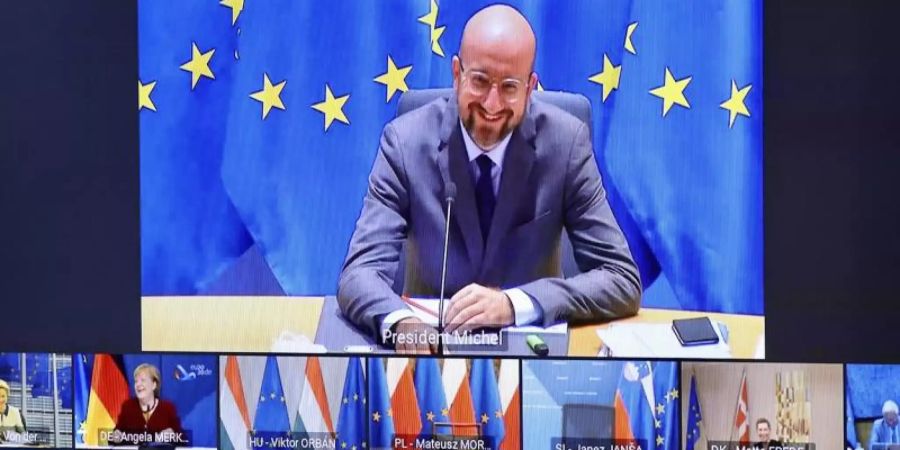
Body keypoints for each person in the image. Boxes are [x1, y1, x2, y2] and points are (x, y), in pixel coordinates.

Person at [337, 4, 641, 353]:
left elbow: (621, 278)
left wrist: (514, 304)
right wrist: (402, 325)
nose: (492, 104)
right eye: (479, 81)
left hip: (530, 360)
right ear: (457, 74)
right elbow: (359, 273)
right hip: (428, 363)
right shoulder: (405, 143)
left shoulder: (565, 144)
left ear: (531, 87)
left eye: (509, 87)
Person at [113, 364, 183, 445]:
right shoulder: (128, 407)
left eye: (143, 380)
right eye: (136, 381)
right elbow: (116, 433)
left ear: (154, 385)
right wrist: (116, 435)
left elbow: (182, 439)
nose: (138, 384)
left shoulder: (167, 408)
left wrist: (172, 434)